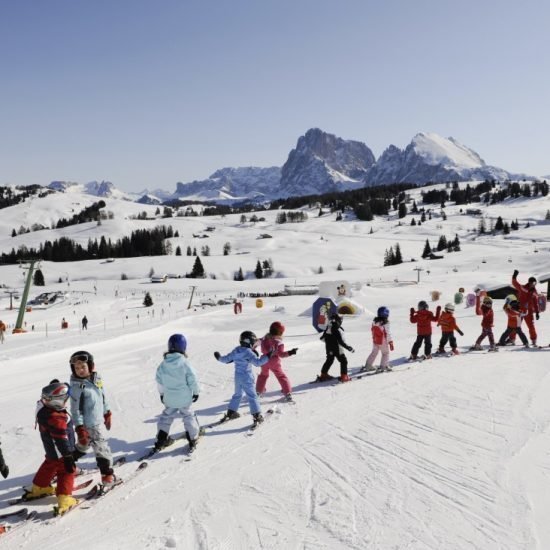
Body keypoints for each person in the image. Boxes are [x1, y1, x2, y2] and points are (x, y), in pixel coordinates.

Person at [22, 381, 78, 515]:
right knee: (67, 471)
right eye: (65, 399)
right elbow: (61, 438)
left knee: (50, 464)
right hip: (60, 451)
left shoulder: (42, 407)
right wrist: (68, 456)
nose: (66, 402)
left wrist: (54, 387)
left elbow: (46, 398)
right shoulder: (57, 418)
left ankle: (39, 487)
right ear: (57, 401)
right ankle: (64, 498)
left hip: (50, 449)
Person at [69, 351, 115, 487]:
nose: (80, 370)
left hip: (96, 420)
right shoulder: (77, 387)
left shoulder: (96, 379)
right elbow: (75, 410)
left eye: (83, 367)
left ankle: (66, 466)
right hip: (90, 425)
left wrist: (107, 412)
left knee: (83, 447)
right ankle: (107, 476)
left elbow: (103, 396)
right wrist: (79, 428)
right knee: (102, 448)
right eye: (77, 368)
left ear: (91, 366)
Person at [153, 334, 201, 452]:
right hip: (184, 398)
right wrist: (195, 392)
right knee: (188, 415)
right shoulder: (184, 363)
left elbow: (160, 382)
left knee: (166, 417)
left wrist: (162, 394)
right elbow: (192, 378)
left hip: (169, 398)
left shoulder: (163, 365)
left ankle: (161, 438)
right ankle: (193, 437)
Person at [214, 331, 271, 426]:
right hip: (247, 377)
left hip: (238, 377)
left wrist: (219, 357)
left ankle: (231, 412)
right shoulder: (249, 352)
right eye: (253, 341)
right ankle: (257, 415)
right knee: (252, 396)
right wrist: (268, 356)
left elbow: (226, 359)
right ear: (249, 341)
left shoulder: (236, 350)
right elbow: (258, 363)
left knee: (237, 394)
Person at [256, 322, 297, 401]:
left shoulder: (264, 339)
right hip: (274, 361)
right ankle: (287, 393)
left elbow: (255, 343)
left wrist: (252, 349)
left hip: (264, 360)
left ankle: (258, 392)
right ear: (280, 332)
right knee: (281, 376)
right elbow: (281, 354)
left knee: (263, 375)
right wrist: (290, 352)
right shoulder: (279, 342)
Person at [317, 313, 355, 382]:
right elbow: (341, 342)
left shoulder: (328, 327)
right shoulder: (337, 329)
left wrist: (329, 342)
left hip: (329, 348)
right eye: (340, 320)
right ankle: (344, 376)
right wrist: (348, 348)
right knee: (343, 361)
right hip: (337, 349)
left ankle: (323, 374)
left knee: (329, 360)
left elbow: (322, 338)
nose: (341, 321)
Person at [512, 270, 540, 346]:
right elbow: (515, 284)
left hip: (529, 312)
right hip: (520, 310)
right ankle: (512, 339)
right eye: (532, 283)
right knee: (515, 325)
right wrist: (514, 276)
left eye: (534, 283)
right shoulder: (523, 288)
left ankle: (533, 340)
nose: (533, 284)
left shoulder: (534, 292)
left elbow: (536, 303)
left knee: (531, 326)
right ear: (529, 282)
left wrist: (537, 312)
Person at [361, 306, 393, 373]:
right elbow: (388, 333)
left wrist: (374, 338)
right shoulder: (385, 323)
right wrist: (390, 341)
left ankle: (368, 365)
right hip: (383, 341)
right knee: (385, 353)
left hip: (375, 340)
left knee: (374, 352)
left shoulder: (374, 321)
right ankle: (383, 366)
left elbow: (372, 330)